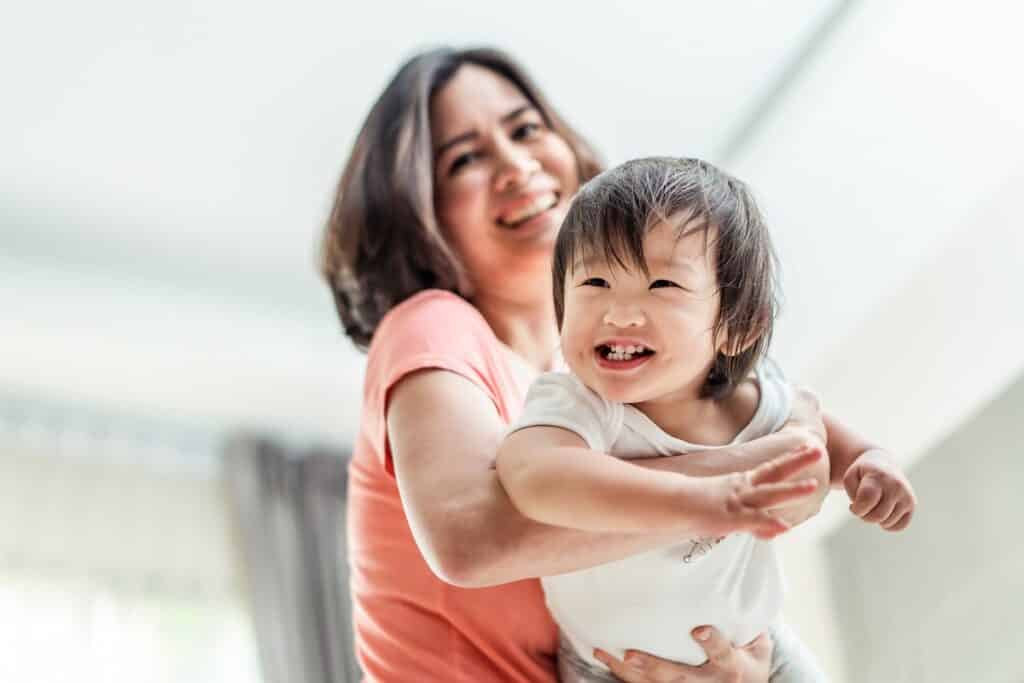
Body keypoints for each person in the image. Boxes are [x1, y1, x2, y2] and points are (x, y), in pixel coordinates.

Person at [320, 47, 914, 683]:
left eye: (526, 129)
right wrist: (756, 475)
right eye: (464, 159)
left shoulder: (602, 380)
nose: (517, 166)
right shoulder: (433, 324)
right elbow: (472, 541)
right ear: (415, 210)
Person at [495, 156, 914, 682]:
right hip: (613, 670)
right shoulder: (580, 405)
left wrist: (870, 463)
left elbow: (819, 442)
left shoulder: (759, 400)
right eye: (595, 281)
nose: (619, 312)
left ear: (737, 328)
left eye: (663, 286)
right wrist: (703, 501)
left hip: (760, 649)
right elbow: (535, 476)